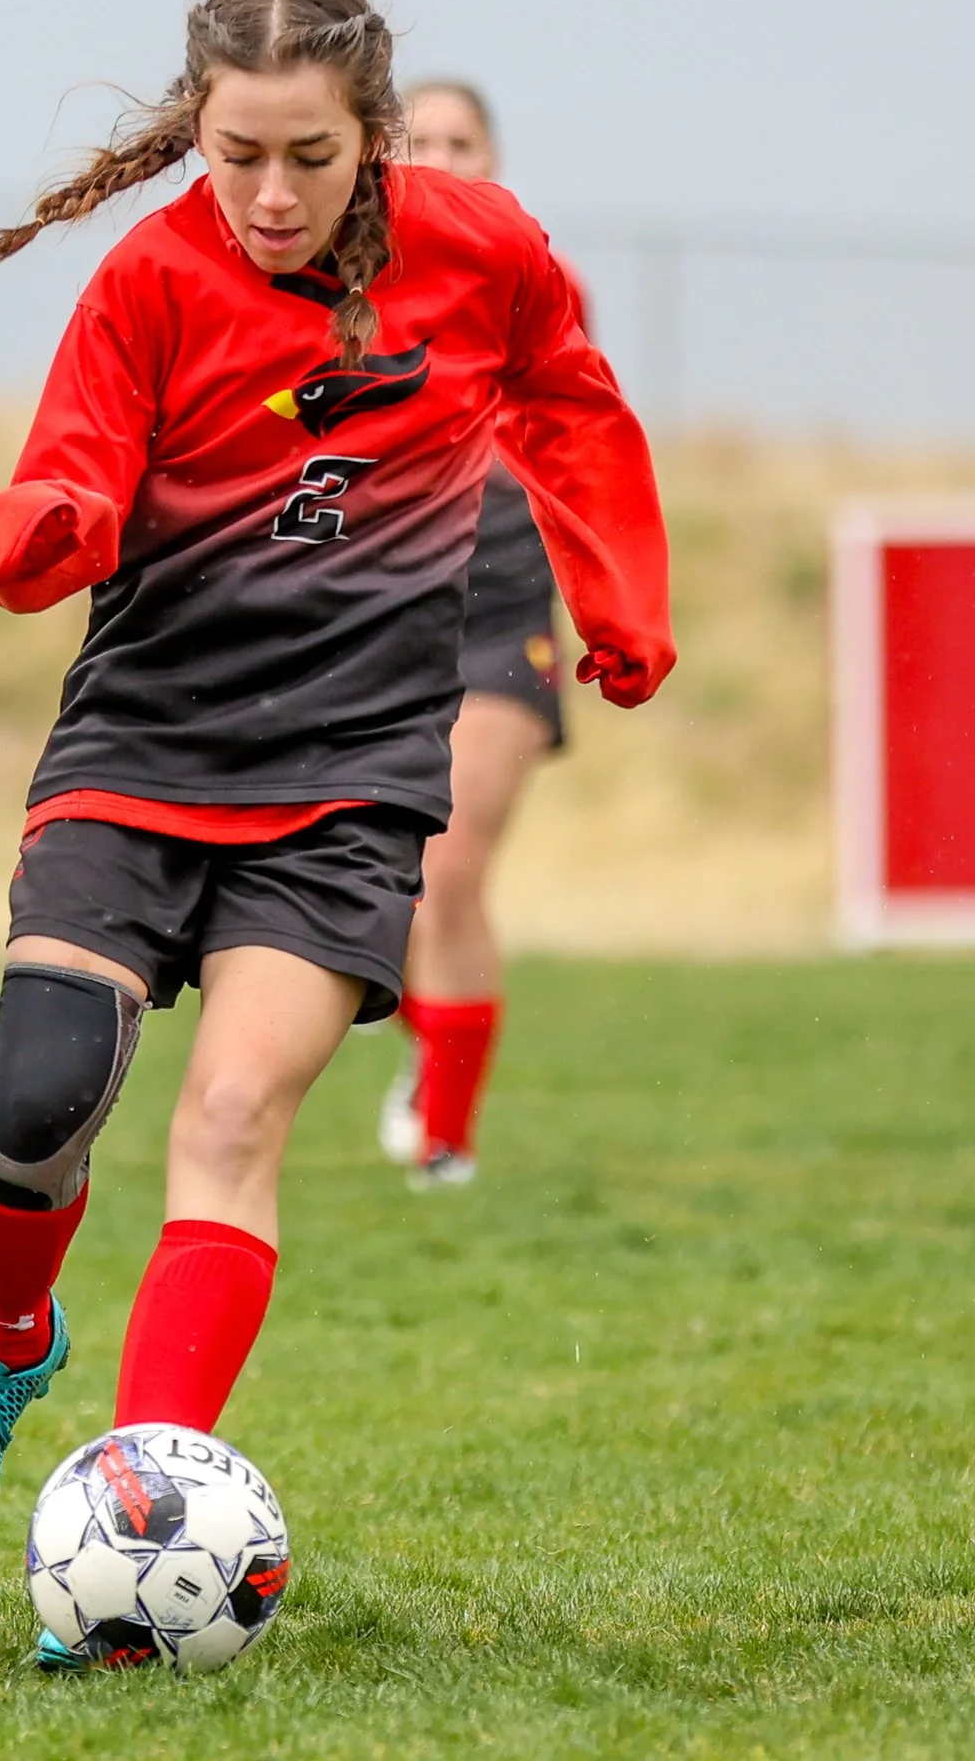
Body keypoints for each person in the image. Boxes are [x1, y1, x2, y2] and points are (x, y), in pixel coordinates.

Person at [0, 0, 675, 1649]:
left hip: (350, 774)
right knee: (39, 1100)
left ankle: (128, 1514)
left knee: (234, 1120)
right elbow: (75, 466)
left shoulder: (487, 251)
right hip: (143, 747)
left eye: (307, 157)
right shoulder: (151, 278)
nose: (267, 195)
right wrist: (51, 523)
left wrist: (618, 593)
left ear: (373, 136)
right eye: (235, 153)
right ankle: (9, 1344)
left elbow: (574, 405)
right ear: (200, 131)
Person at [376, 80, 588, 1188]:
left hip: (504, 604)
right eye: (418, 139)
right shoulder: (336, 281)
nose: (441, 157)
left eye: (462, 140)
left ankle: (446, 1136)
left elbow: (576, 439)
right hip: (374, 608)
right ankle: (420, 1026)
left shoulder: (538, 282)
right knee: (386, 874)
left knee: (452, 870)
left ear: (494, 156)